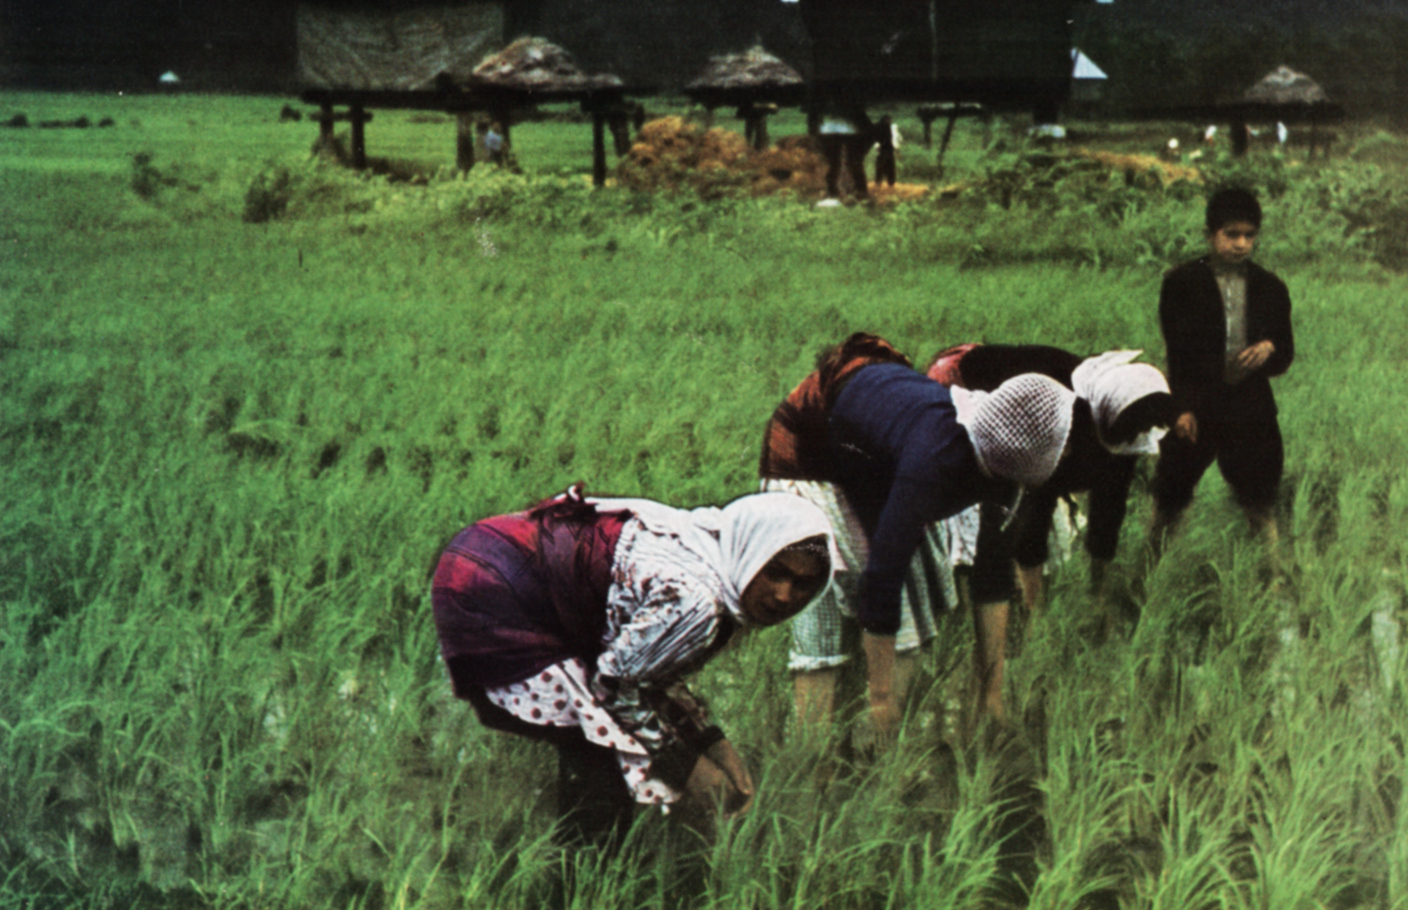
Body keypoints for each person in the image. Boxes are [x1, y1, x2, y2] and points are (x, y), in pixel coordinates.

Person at [431, 484, 835, 844]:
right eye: (775, 573)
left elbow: (645, 669)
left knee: (613, 746)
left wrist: (711, 742)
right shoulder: (697, 603)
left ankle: (578, 855)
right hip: (491, 586)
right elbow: (612, 686)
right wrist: (687, 765)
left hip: (490, 558)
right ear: (752, 550)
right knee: (606, 752)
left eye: (803, 584)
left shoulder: (710, 548)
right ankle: (579, 875)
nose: (784, 595)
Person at [760, 334, 1074, 738]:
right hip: (812, 446)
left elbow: (993, 571)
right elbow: (884, 572)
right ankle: (815, 751)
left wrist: (991, 696)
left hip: (872, 452)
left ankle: (873, 739)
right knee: (826, 604)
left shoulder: (1007, 466)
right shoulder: (934, 458)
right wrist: (881, 698)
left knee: (910, 619)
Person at [926, 345, 1178, 693]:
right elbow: (1035, 506)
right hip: (962, 381)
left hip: (1029, 407)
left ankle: (1018, 610)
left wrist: (1098, 596)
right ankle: (977, 618)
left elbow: (1110, 510)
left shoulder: (1124, 425)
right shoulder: (1059, 418)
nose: (1138, 439)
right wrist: (1036, 617)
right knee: (986, 523)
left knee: (1026, 528)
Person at [1148, 187, 1295, 577]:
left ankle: (1271, 582)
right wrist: (1180, 409)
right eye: (1232, 234)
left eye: (1249, 235)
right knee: (1169, 501)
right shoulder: (1181, 283)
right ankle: (1145, 579)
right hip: (1197, 405)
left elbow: (1285, 354)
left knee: (1260, 503)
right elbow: (1177, 354)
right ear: (1210, 234)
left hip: (1250, 408)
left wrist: (1268, 348)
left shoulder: (1271, 287)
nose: (1241, 244)